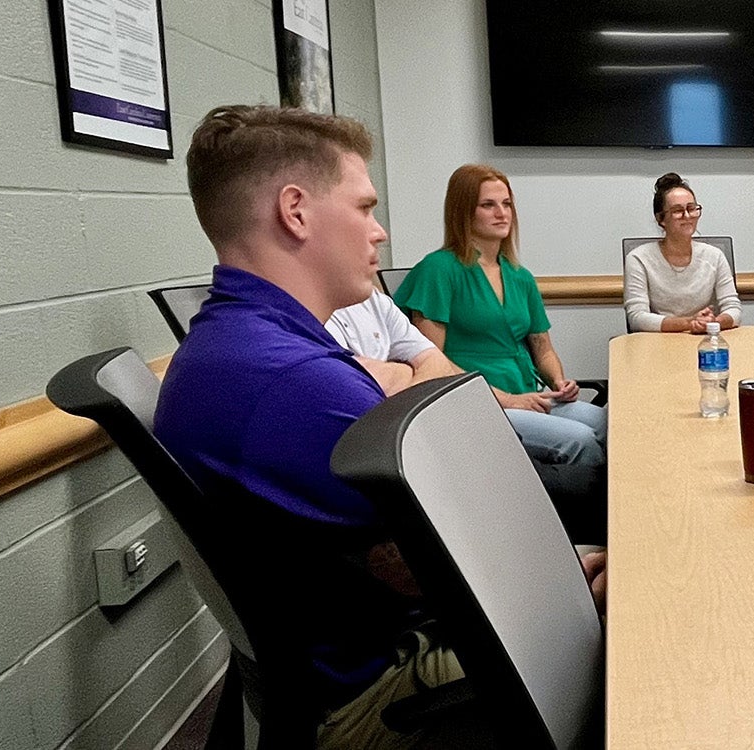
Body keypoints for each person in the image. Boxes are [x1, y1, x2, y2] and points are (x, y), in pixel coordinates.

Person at [152, 105, 607, 750]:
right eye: (364, 208)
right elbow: (450, 576)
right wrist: (579, 576)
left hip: (357, 652)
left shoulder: (240, 344)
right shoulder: (291, 382)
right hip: (380, 688)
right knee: (654, 623)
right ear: (296, 212)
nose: (381, 232)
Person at [390, 164, 608, 523]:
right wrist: (508, 400)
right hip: (479, 405)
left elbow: (543, 348)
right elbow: (432, 364)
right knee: (579, 440)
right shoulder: (438, 270)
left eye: (506, 204)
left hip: (529, 395)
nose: (502, 213)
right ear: (463, 211)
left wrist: (559, 381)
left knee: (606, 424)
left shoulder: (519, 276)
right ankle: (576, 531)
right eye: (488, 205)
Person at [624, 172, 742, 333]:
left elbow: (734, 309)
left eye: (692, 208)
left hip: (706, 340)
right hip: (658, 344)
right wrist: (689, 322)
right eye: (677, 210)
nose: (687, 216)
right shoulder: (638, 258)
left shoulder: (715, 256)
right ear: (661, 219)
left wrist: (714, 322)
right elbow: (637, 318)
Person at [326, 288, 464, 395]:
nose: (375, 250)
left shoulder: (374, 299)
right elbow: (347, 387)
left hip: (403, 422)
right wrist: (409, 371)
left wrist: (399, 377)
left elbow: (438, 364)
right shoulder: (311, 314)